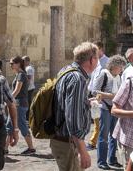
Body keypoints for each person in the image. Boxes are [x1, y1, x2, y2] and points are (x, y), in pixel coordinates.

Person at [50, 42, 99, 171]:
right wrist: (83, 151)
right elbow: (73, 120)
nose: (98, 61)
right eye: (97, 58)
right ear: (91, 60)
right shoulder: (77, 79)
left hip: (63, 140)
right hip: (68, 143)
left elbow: (66, 104)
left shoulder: (67, 70)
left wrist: (85, 102)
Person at [92, 55, 127, 169]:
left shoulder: (119, 77)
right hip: (104, 108)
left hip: (115, 109)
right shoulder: (104, 74)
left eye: (122, 67)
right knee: (103, 136)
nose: (121, 69)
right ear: (113, 66)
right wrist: (110, 95)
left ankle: (112, 159)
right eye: (120, 67)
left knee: (114, 136)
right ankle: (101, 161)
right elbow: (94, 91)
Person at [7, 56, 35, 155]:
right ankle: (4, 149)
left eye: (12, 63)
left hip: (19, 104)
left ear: (18, 64)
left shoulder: (21, 75)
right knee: (9, 126)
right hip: (16, 104)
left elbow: (17, 90)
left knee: (22, 125)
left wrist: (8, 99)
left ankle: (31, 148)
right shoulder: (19, 74)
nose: (10, 65)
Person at [87, 41, 109, 150]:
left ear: (101, 49)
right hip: (92, 93)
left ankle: (93, 142)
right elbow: (92, 77)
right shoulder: (96, 61)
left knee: (99, 120)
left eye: (95, 50)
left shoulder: (107, 62)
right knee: (96, 118)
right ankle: (94, 141)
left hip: (101, 95)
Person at [22, 55, 35, 120]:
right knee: (28, 103)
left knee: (28, 103)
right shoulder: (28, 68)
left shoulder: (28, 68)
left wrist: (25, 88)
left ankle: (28, 118)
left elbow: (28, 79)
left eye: (23, 61)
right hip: (30, 88)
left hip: (29, 89)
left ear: (27, 61)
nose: (22, 62)